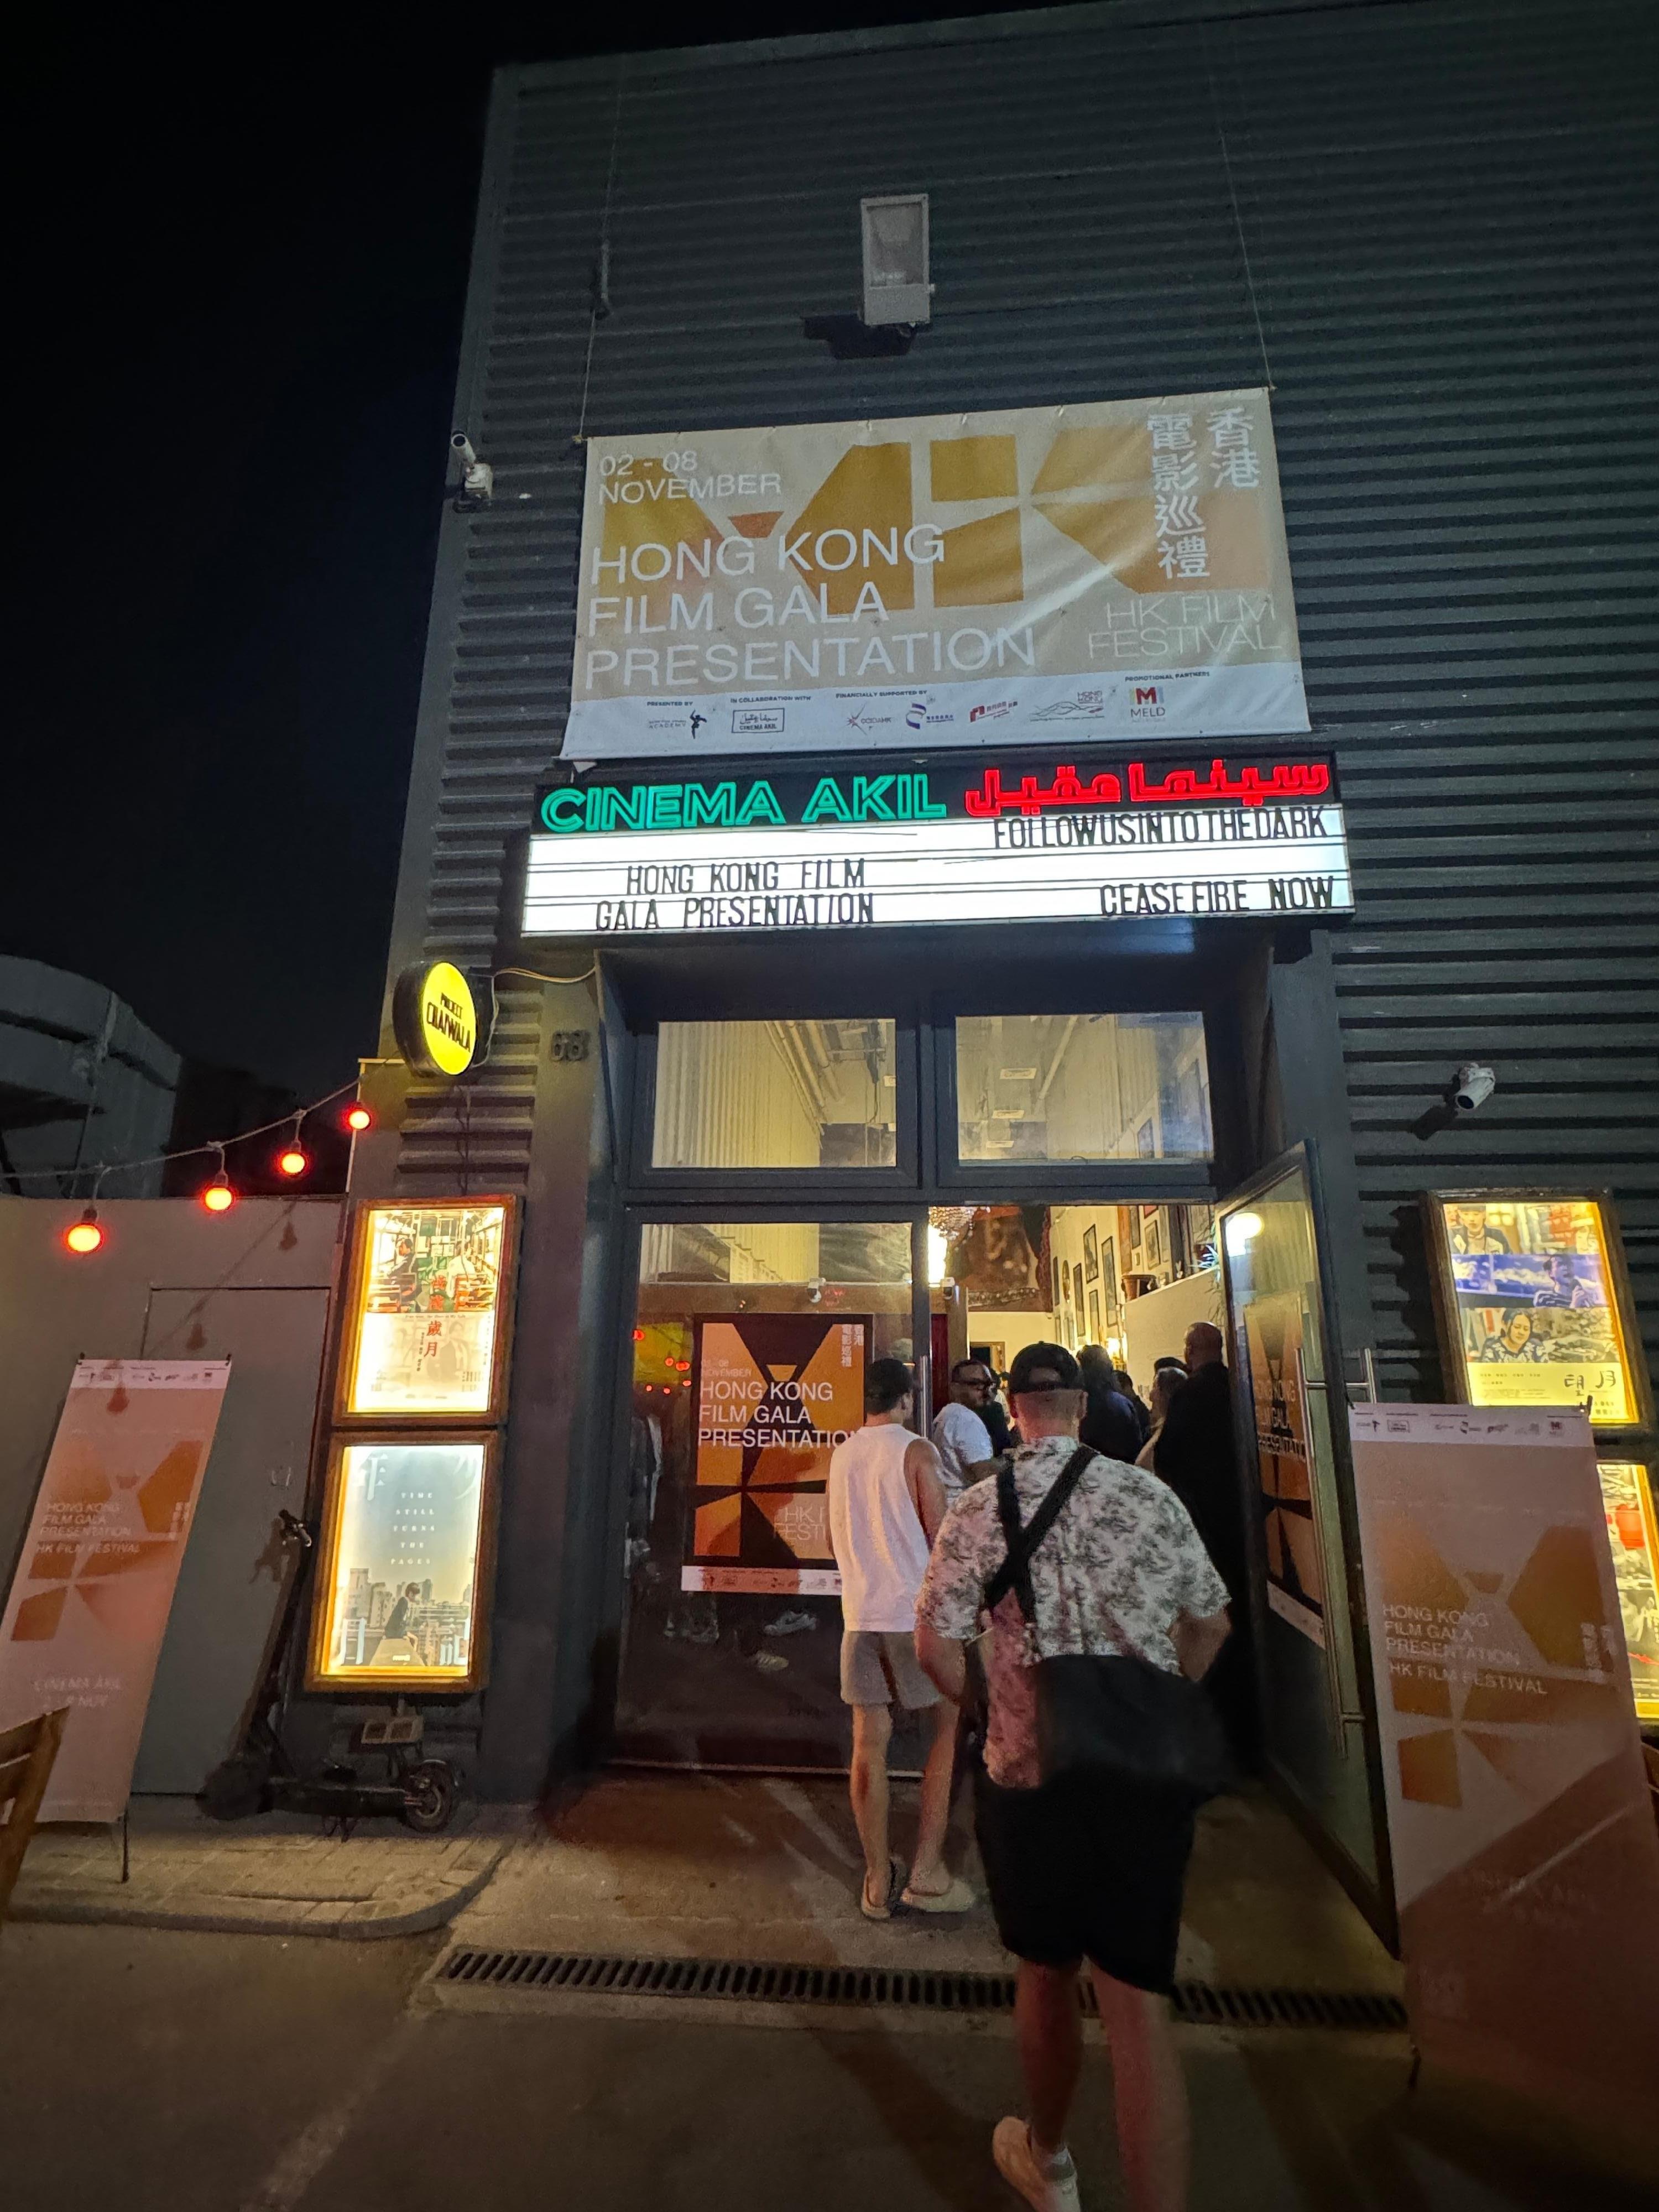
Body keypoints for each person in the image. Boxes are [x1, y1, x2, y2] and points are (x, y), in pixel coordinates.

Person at [916, 1343, 1230, 2212]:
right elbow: (1210, 1624)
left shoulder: (979, 1510)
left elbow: (935, 1650)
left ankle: (1048, 2162)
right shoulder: (1149, 1495)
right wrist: (1153, 1705)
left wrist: (990, 1710)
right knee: (1138, 2009)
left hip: (1029, 1773)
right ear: (1084, 1408)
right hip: (1139, 1776)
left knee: (1044, 1973)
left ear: (1012, 1409)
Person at [827, 1356, 974, 1919]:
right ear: (906, 1399)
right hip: (913, 1614)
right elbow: (941, 1534)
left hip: (859, 1613)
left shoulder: (842, 1454)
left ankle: (874, 1878)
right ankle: (927, 1870)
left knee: (869, 1743)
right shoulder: (916, 1450)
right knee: (945, 1727)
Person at [1154, 1321, 1253, 1762]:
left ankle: (1214, 1732)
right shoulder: (1238, 1387)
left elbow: (1168, 1461)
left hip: (1204, 1525)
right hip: (1244, 1521)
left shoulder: (1191, 1397)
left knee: (1213, 1620)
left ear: (1193, 1350)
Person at [932, 1359, 998, 1496]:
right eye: (976, 1385)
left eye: (987, 1385)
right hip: (965, 1504)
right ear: (955, 1388)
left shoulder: (949, 1414)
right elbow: (985, 1474)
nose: (985, 1392)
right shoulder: (964, 1418)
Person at [1076, 1345, 1142, 1464]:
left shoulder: (1081, 1404)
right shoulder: (1124, 1402)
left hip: (1092, 1470)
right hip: (1125, 1469)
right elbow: (1136, 1445)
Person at [1135, 1366, 1184, 1471]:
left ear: (1167, 1395)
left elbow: (1143, 1466)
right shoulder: (1164, 1428)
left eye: (1155, 1388)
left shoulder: (1170, 1433)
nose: (1151, 1396)